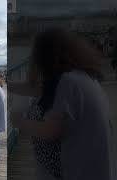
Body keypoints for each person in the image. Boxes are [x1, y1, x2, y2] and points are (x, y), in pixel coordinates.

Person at [9, 28, 115, 180]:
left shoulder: (68, 82)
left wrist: (19, 121)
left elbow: (51, 131)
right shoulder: (83, 78)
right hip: (95, 167)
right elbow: (40, 90)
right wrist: (7, 84)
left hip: (81, 171)